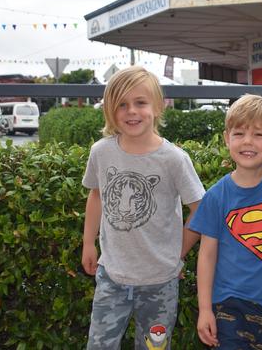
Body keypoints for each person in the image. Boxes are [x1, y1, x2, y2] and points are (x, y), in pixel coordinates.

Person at [81, 65, 205, 350]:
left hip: (160, 281)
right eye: (122, 104)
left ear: (158, 106)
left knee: (154, 348)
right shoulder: (101, 152)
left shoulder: (174, 159)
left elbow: (200, 209)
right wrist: (88, 242)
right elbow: (97, 195)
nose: (131, 111)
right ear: (111, 110)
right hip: (111, 274)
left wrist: (178, 254)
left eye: (140, 102)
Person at [189, 94, 262, 349]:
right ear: (227, 138)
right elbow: (206, 255)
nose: (248, 142)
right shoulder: (216, 196)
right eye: (239, 133)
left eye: (259, 135)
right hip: (230, 304)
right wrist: (205, 309)